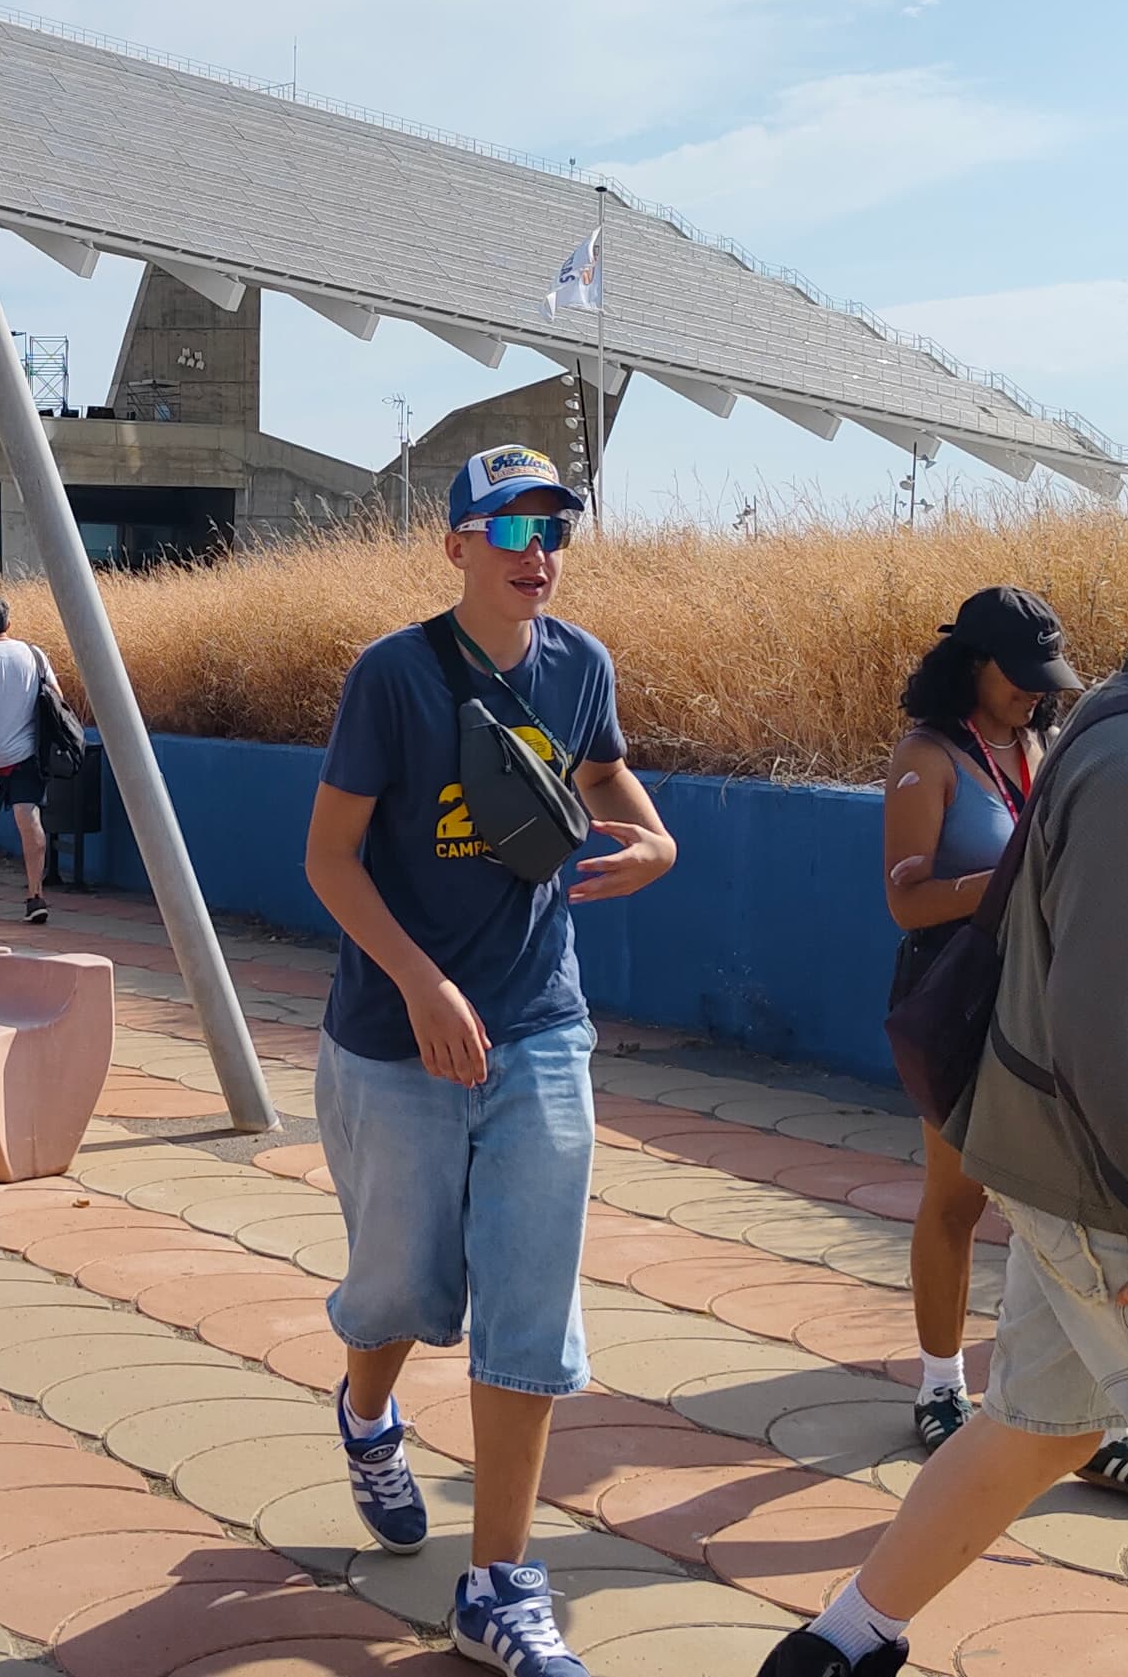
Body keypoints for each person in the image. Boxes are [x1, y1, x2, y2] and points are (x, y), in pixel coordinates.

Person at [769, 490, 1128, 1677]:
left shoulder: (1119, 729)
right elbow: (1113, 1023)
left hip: (1074, 1180)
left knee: (1038, 1424)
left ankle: (841, 1643)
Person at [302, 445, 676, 1677]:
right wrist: (422, 983)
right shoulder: (393, 679)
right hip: (395, 1037)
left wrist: (656, 841)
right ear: (456, 544)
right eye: (510, 528)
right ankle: (367, 1412)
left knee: (530, 1304)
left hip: (539, 1025)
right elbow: (331, 860)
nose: (538, 550)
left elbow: (607, 766)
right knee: (402, 1290)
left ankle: (500, 1584)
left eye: (554, 527)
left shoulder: (581, 665)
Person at [877, 589, 1128, 1509]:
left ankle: (1084, 1419)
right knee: (956, 1199)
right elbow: (907, 901)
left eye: (1048, 683)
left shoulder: (1037, 747)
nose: (1037, 697)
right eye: (1020, 679)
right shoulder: (927, 757)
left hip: (1045, 1004)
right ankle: (939, 1388)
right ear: (974, 665)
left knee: (1064, 1210)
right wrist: (1006, 880)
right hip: (960, 1000)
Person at [0, 593, 77, 928]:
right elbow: (57, 699)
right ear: (9, 625)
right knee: (29, 821)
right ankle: (36, 895)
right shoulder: (34, 654)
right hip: (27, 756)